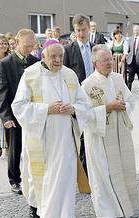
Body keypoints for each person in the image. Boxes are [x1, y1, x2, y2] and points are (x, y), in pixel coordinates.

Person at [12, 39, 89, 218]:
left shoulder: (69, 75)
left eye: (60, 56)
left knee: (64, 182)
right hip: (43, 141)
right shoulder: (30, 75)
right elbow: (19, 106)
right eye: (53, 56)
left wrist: (74, 109)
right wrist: (47, 109)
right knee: (46, 182)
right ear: (43, 56)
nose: (57, 60)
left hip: (66, 141)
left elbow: (83, 103)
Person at [82, 44, 138, 218]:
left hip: (119, 133)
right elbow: (84, 113)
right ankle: (107, 214)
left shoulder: (117, 79)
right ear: (95, 62)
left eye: (110, 59)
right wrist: (108, 107)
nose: (109, 63)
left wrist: (123, 105)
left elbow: (130, 100)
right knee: (103, 174)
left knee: (120, 169)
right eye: (105, 60)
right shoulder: (87, 85)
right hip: (100, 136)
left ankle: (121, 209)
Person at [0, 29, 41, 196]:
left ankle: (35, 176)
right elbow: (1, 93)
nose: (29, 49)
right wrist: (5, 116)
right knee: (15, 149)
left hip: (33, 112)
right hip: (14, 115)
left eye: (32, 46)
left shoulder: (37, 61)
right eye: (26, 46)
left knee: (35, 147)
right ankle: (14, 180)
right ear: (17, 41)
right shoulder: (6, 63)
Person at [63, 14, 95, 176]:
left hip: (96, 97)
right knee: (81, 138)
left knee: (95, 136)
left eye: (83, 30)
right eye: (78, 30)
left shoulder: (97, 48)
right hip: (77, 98)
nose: (81, 33)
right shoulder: (68, 50)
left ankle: (96, 172)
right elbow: (64, 76)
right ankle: (84, 175)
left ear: (89, 28)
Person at [126, 25, 139, 93]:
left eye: (137, 30)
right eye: (135, 30)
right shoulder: (130, 39)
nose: (136, 31)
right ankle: (129, 90)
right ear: (133, 31)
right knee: (130, 76)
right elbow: (128, 50)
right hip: (132, 59)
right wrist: (127, 58)